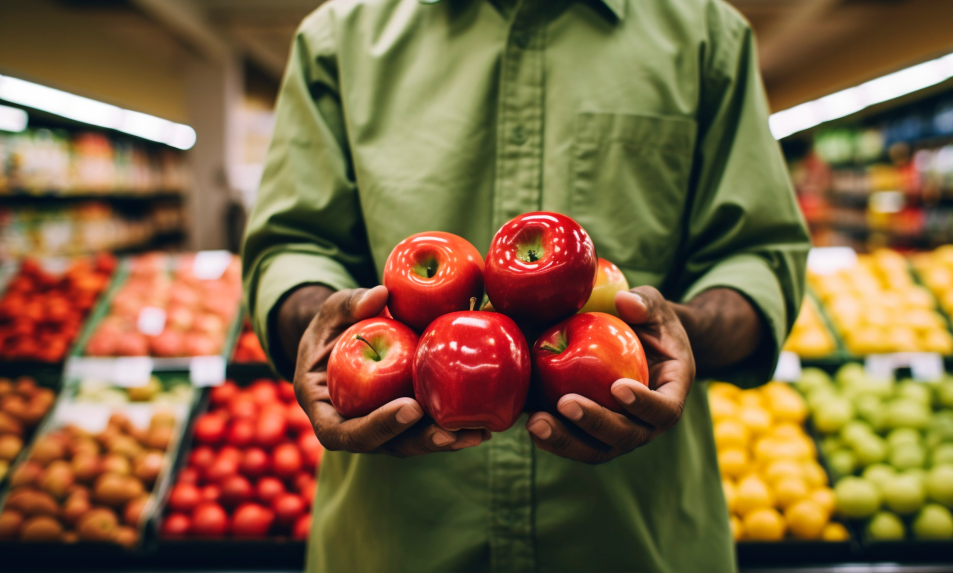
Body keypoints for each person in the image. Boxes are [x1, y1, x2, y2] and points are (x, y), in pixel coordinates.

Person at [241, 0, 810, 571]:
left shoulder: (705, 32)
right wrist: (324, 326)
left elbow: (756, 255)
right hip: (397, 538)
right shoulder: (339, 37)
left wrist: (678, 336)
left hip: (631, 537)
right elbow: (293, 247)